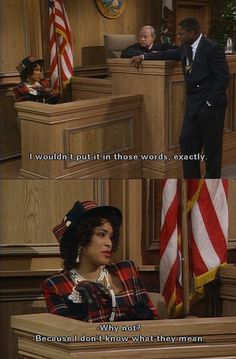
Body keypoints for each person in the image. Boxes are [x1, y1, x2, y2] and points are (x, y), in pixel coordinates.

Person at [130, 18, 230, 179]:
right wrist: (143, 57)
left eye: (181, 33)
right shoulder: (185, 48)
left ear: (193, 33)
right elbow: (167, 53)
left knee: (212, 150)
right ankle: (192, 183)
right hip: (193, 105)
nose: (179, 36)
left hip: (211, 106)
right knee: (187, 142)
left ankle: (211, 186)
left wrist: (210, 103)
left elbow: (223, 78)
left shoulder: (212, 48)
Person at [42, 200, 159, 322]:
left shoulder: (127, 271)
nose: (109, 243)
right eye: (101, 234)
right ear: (81, 239)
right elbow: (66, 335)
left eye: (111, 237)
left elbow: (154, 322)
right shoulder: (56, 285)